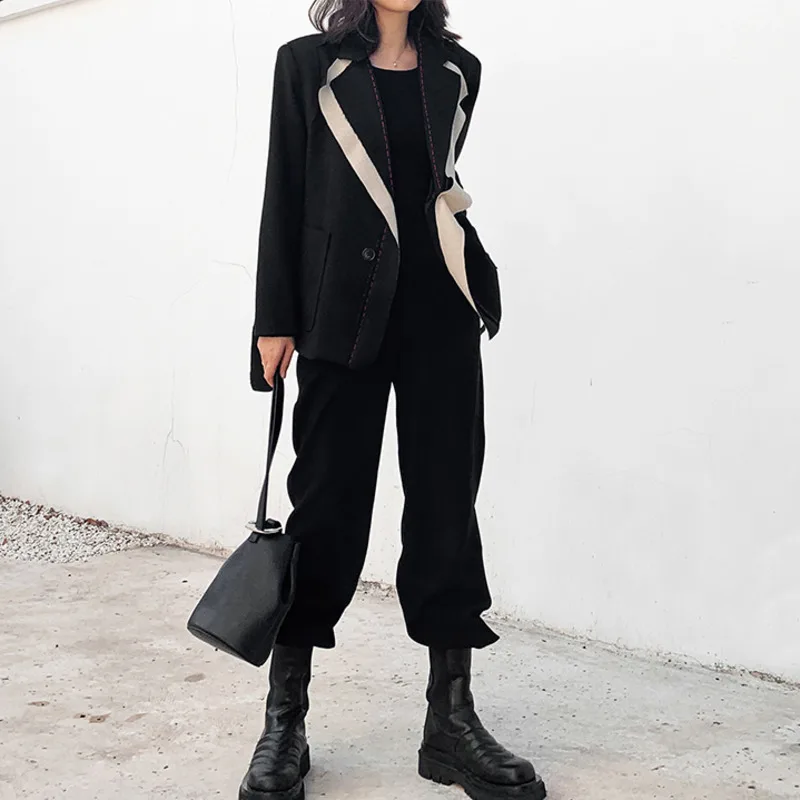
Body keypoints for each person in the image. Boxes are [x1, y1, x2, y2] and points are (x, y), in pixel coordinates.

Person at [242, 1, 546, 799]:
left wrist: (473, 280)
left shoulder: (457, 70)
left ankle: (451, 722)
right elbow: (286, 188)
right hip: (338, 317)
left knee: (448, 508)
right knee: (325, 512)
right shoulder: (307, 65)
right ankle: (285, 721)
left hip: (440, 316)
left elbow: (433, 186)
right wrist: (275, 318)